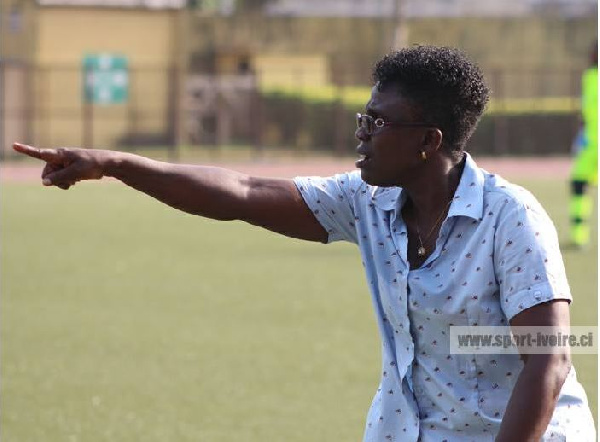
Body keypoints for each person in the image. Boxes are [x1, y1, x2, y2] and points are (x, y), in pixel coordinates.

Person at [13, 45, 595, 441]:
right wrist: (117, 164)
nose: (361, 135)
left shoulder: (509, 216)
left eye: (377, 123)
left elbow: (548, 359)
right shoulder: (367, 202)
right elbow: (242, 190)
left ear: (427, 141)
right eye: (361, 119)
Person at [569, 40, 598, 248]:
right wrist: (581, 134)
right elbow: (586, 110)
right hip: (591, 144)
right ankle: (579, 236)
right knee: (578, 183)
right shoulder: (589, 77)